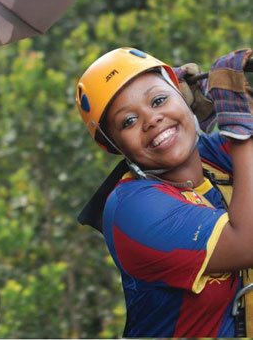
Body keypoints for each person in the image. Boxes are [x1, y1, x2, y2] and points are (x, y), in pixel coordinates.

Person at [76, 46, 253, 337]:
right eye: (128, 121)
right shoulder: (131, 210)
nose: (151, 120)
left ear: (183, 97)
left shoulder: (210, 159)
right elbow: (247, 244)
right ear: (114, 146)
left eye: (159, 100)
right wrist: (237, 121)